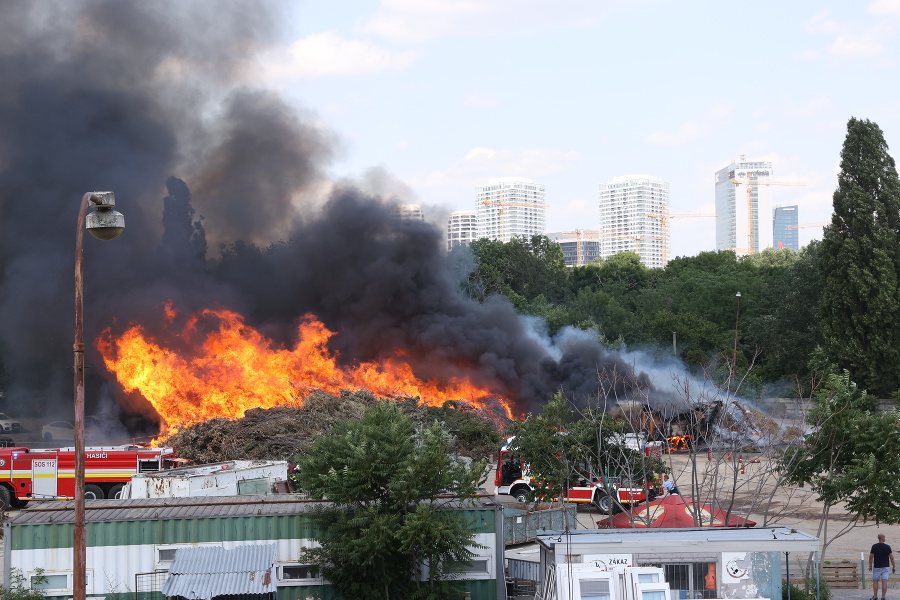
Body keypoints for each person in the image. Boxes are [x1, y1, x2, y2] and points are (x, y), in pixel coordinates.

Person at [869, 533, 895, 600]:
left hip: (877, 566)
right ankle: (883, 597)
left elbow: (871, 557)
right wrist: (894, 566)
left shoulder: (874, 546)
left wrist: (870, 566)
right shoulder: (887, 547)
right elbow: (892, 557)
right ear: (883, 539)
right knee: (884, 581)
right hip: (885, 567)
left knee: (875, 581)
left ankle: (875, 596)